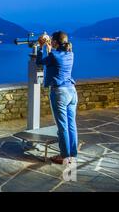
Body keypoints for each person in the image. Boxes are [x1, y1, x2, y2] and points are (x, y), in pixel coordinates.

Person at [36, 31, 78, 164]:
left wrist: (40, 46)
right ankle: (73, 154)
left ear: (55, 42)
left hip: (60, 93)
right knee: (72, 125)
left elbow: (40, 61)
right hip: (72, 92)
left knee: (62, 127)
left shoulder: (53, 55)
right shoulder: (70, 54)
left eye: (52, 40)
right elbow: (54, 61)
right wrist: (49, 49)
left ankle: (64, 156)